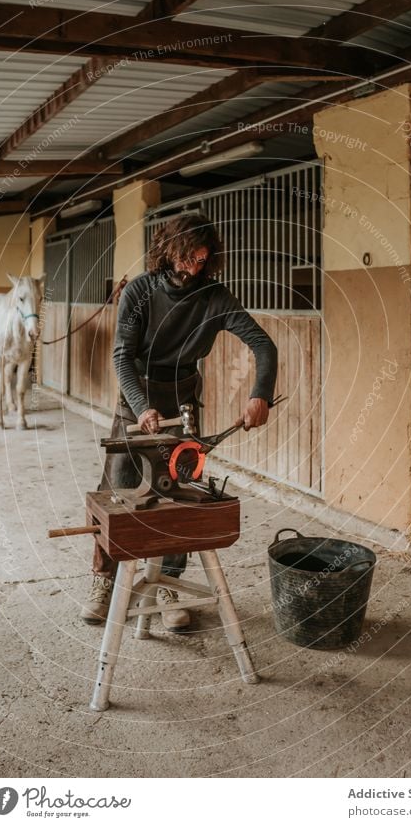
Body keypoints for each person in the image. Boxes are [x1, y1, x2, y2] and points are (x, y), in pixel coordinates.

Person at [80, 213, 278, 630]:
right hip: (136, 396)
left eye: (202, 259)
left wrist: (260, 393)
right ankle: (102, 579)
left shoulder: (215, 297)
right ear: (169, 250)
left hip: (183, 399)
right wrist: (141, 406)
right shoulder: (139, 291)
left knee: (178, 493)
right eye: (188, 257)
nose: (195, 266)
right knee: (115, 488)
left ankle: (166, 582)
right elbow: (121, 355)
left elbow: (263, 344)